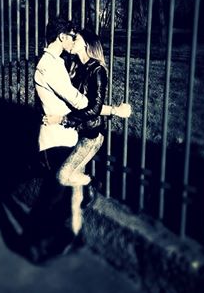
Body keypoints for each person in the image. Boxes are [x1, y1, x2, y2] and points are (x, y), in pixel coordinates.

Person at [29, 18, 130, 259]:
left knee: (63, 182)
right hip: (69, 135)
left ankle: (91, 186)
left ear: (85, 44)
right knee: (70, 195)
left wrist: (113, 111)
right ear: (62, 37)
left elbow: (88, 106)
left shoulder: (94, 70)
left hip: (87, 134)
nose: (73, 40)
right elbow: (74, 101)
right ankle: (72, 237)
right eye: (71, 36)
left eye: (77, 38)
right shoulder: (67, 66)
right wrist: (113, 110)